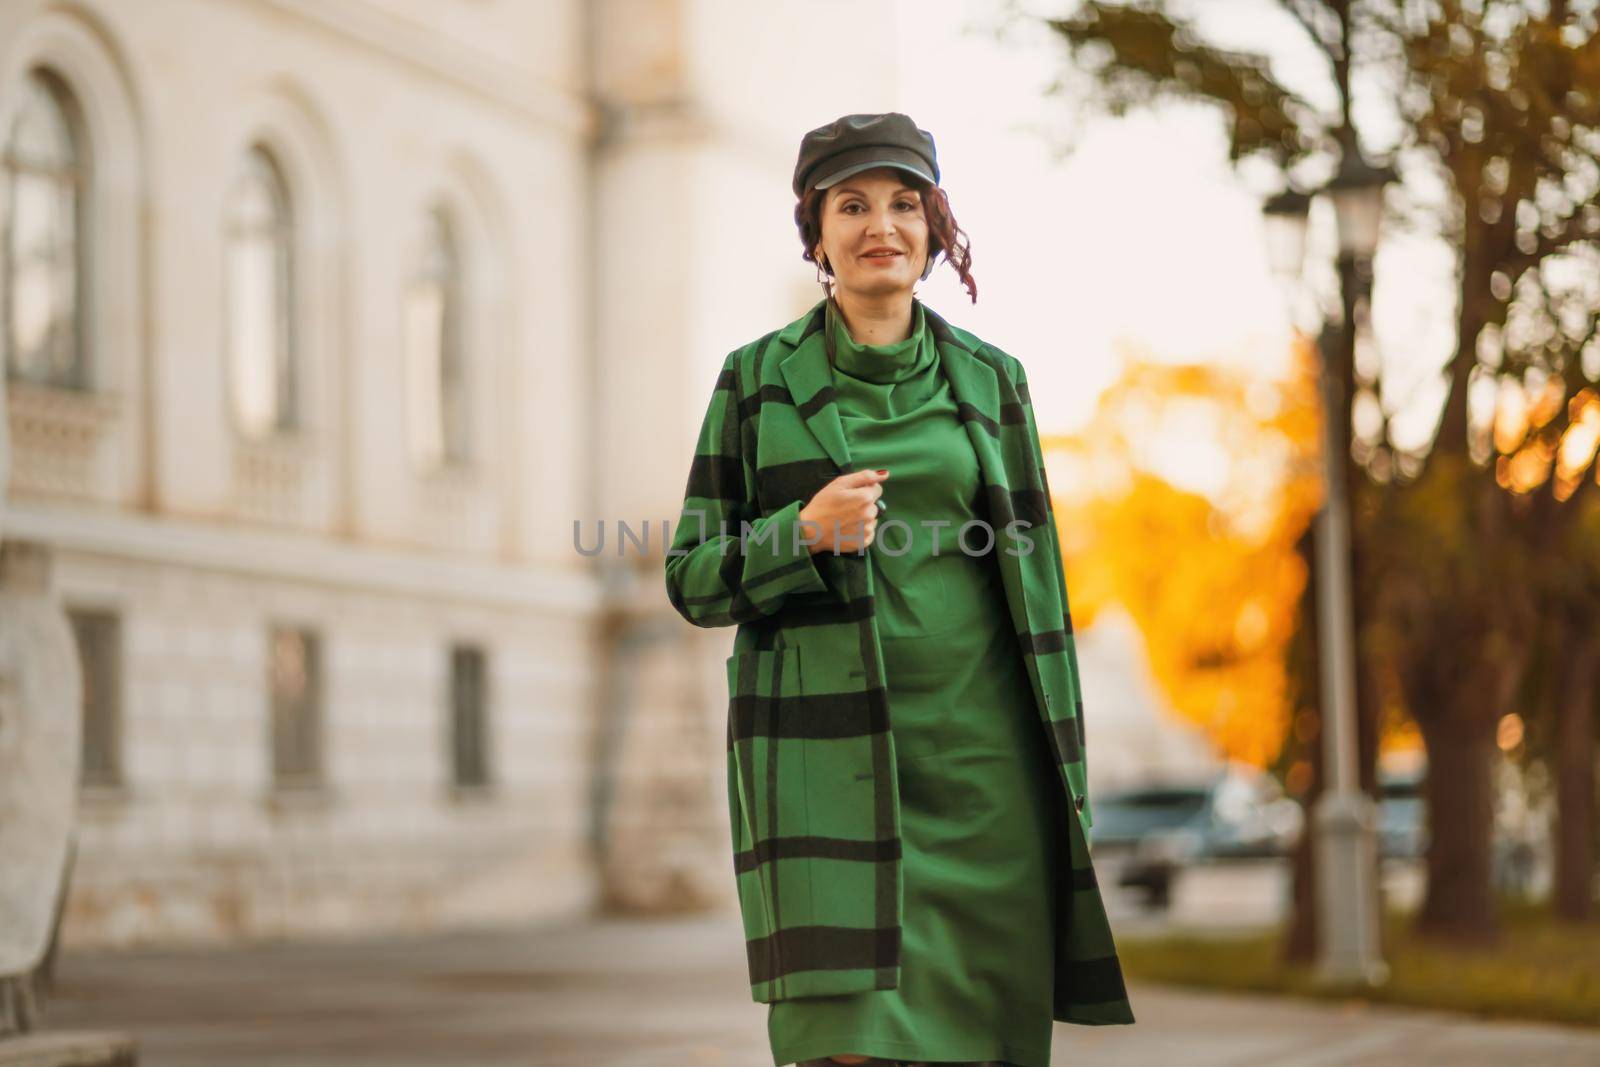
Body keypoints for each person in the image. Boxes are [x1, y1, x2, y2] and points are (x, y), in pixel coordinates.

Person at [664, 112, 1133, 1067]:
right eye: (853, 204)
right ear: (817, 234)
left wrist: (1067, 778)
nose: (882, 224)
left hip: (983, 779)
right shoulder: (755, 381)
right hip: (825, 772)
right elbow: (691, 578)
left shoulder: (995, 382)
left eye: (904, 203)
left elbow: (1040, 587)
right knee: (847, 1047)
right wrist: (800, 535)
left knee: (981, 1046)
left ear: (933, 228)